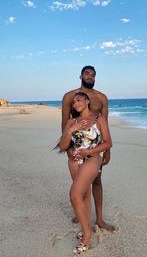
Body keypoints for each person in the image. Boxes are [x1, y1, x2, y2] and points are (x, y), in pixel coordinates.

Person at [61, 65, 116, 233]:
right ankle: (82, 212)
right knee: (79, 181)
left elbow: (104, 124)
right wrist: (68, 146)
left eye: (93, 75)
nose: (90, 77)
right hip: (77, 145)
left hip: (95, 147)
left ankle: (99, 219)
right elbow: (65, 122)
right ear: (80, 76)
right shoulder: (70, 96)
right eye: (87, 74)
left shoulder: (102, 98)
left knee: (97, 181)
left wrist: (107, 150)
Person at [59, 92, 112, 253]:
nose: (75, 103)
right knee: (84, 195)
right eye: (73, 102)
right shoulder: (71, 121)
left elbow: (108, 142)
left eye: (79, 100)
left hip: (92, 158)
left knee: (74, 194)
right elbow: (62, 146)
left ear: (87, 101)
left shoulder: (98, 119)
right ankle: (86, 227)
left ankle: (87, 235)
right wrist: (70, 131)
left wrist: (89, 152)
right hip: (74, 161)